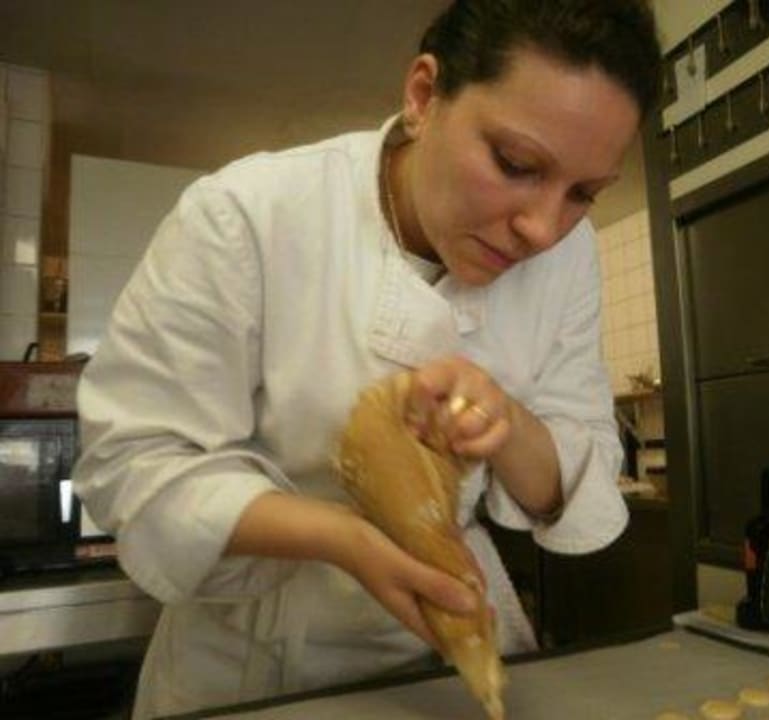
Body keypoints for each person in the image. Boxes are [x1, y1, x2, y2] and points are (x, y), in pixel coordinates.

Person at [73, 1, 662, 717]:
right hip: (252, 663)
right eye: (515, 164)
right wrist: (346, 538)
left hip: (449, 651)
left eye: (584, 194)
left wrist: (502, 421)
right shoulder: (248, 214)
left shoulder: (567, 257)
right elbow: (134, 462)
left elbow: (577, 477)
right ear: (423, 96)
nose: (542, 229)